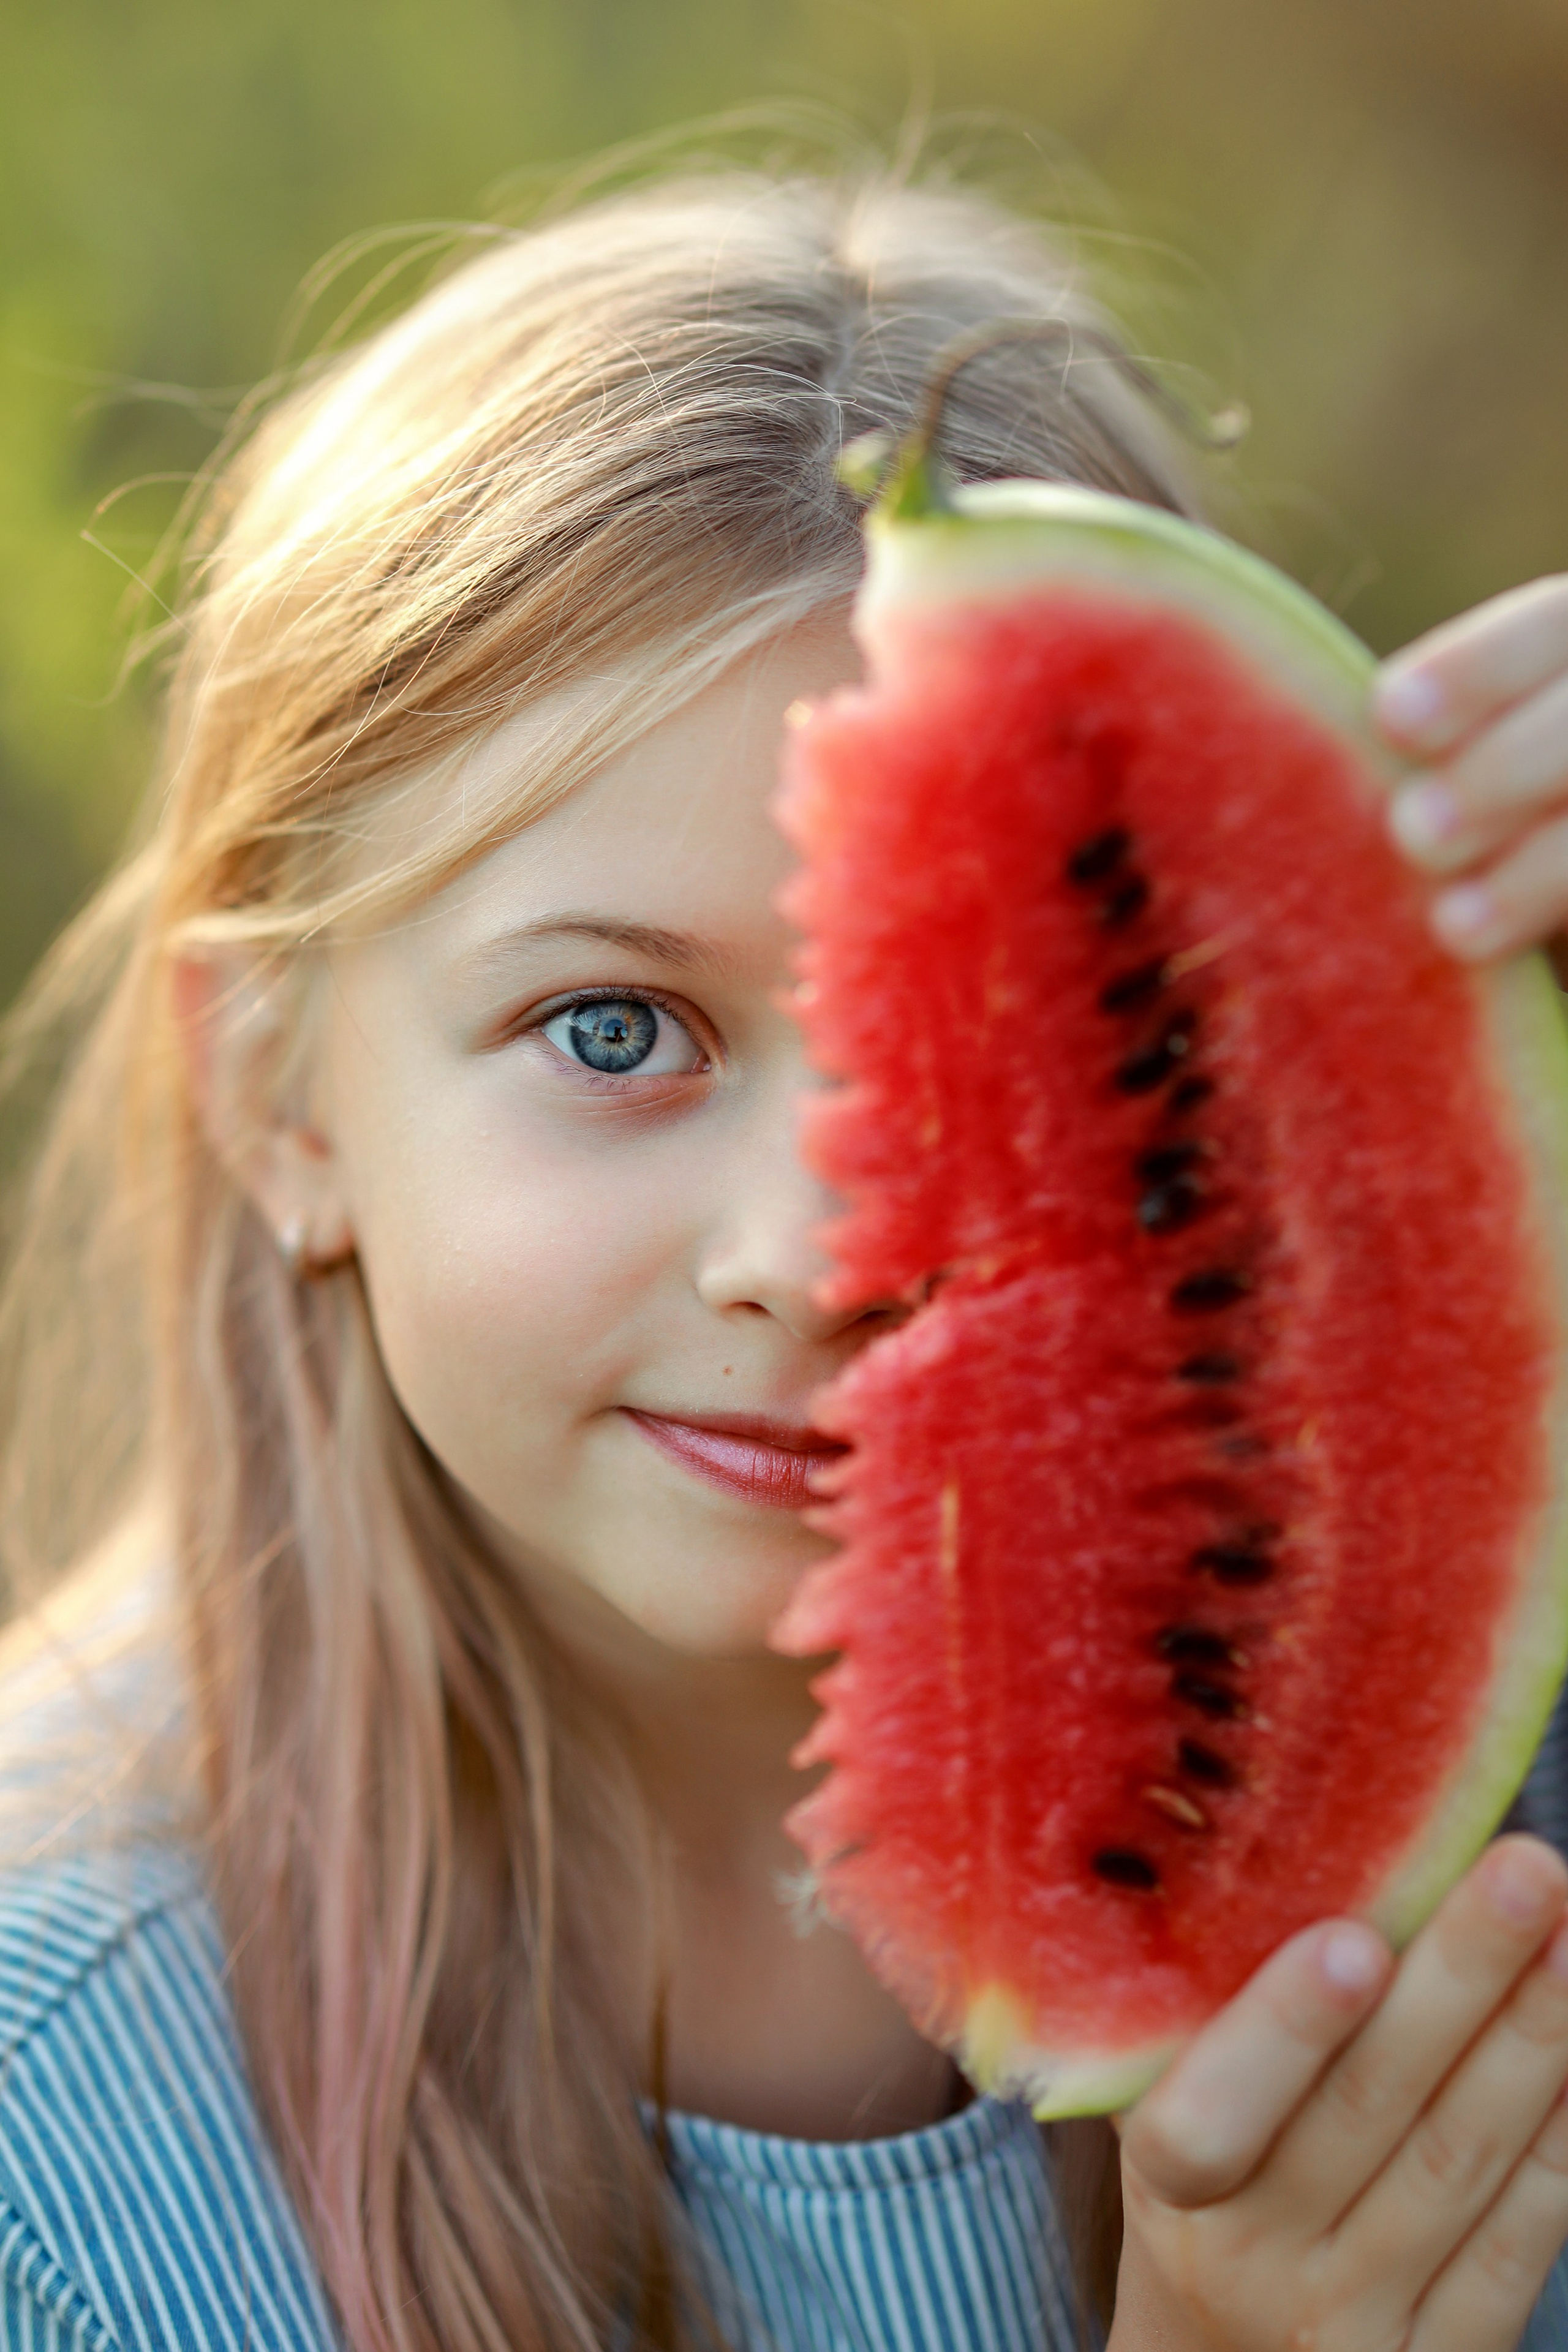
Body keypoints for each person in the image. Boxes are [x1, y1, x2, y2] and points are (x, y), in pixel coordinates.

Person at [2, 163, 1567, 2352]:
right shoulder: (51, 2156)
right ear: (281, 1100)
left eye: (1027, 1059)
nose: (820, 1257)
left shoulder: (1506, 1828)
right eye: (616, 1031)